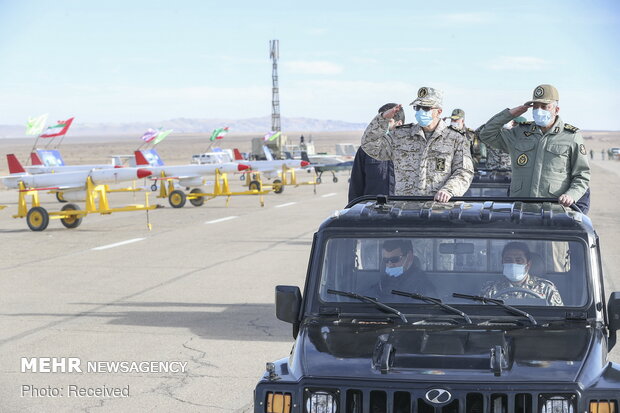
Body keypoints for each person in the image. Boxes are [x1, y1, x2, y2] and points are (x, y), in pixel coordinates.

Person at [477, 84, 590, 207]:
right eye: (535, 107)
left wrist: (571, 195)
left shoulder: (571, 136)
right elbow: (486, 134)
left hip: (554, 210)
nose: (539, 110)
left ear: (556, 110)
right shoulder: (519, 133)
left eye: (544, 106)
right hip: (520, 208)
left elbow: (581, 175)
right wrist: (510, 114)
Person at [361, 87, 474, 202]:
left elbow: (464, 172)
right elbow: (369, 144)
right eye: (417, 107)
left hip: (439, 210)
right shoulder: (400, 136)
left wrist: (449, 190)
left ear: (439, 111)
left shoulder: (456, 138)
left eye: (426, 108)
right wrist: (382, 118)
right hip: (405, 210)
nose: (421, 111)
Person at [481, 242, 563, 306]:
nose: (513, 264)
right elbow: (480, 316)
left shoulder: (546, 288)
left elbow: (559, 319)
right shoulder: (490, 288)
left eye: (518, 260)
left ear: (528, 264)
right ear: (502, 262)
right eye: (508, 260)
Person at [348, 103, 400, 202]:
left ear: (399, 123)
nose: (381, 126)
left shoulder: (410, 149)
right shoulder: (365, 150)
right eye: (380, 122)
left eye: (387, 121)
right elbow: (356, 185)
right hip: (372, 212)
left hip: (403, 211)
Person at [368, 239, 437, 300]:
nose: (390, 265)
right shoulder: (383, 280)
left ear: (409, 257)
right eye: (386, 260)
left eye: (395, 259)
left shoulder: (423, 285)